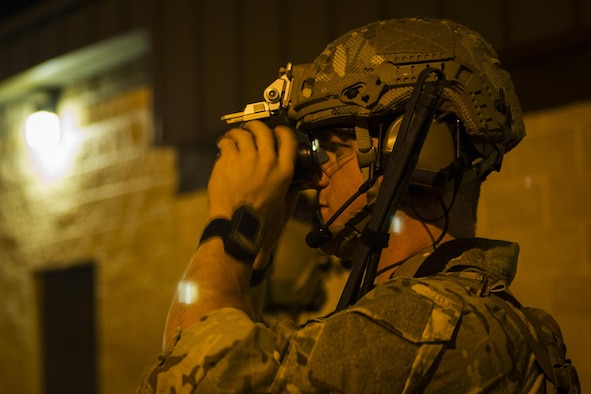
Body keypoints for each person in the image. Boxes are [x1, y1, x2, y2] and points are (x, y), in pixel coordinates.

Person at [138, 18, 580, 393]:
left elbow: (188, 374)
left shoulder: (429, 325)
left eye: (333, 146)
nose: (318, 173)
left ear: (413, 147)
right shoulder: (450, 314)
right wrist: (260, 246)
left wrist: (230, 225)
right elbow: (258, 357)